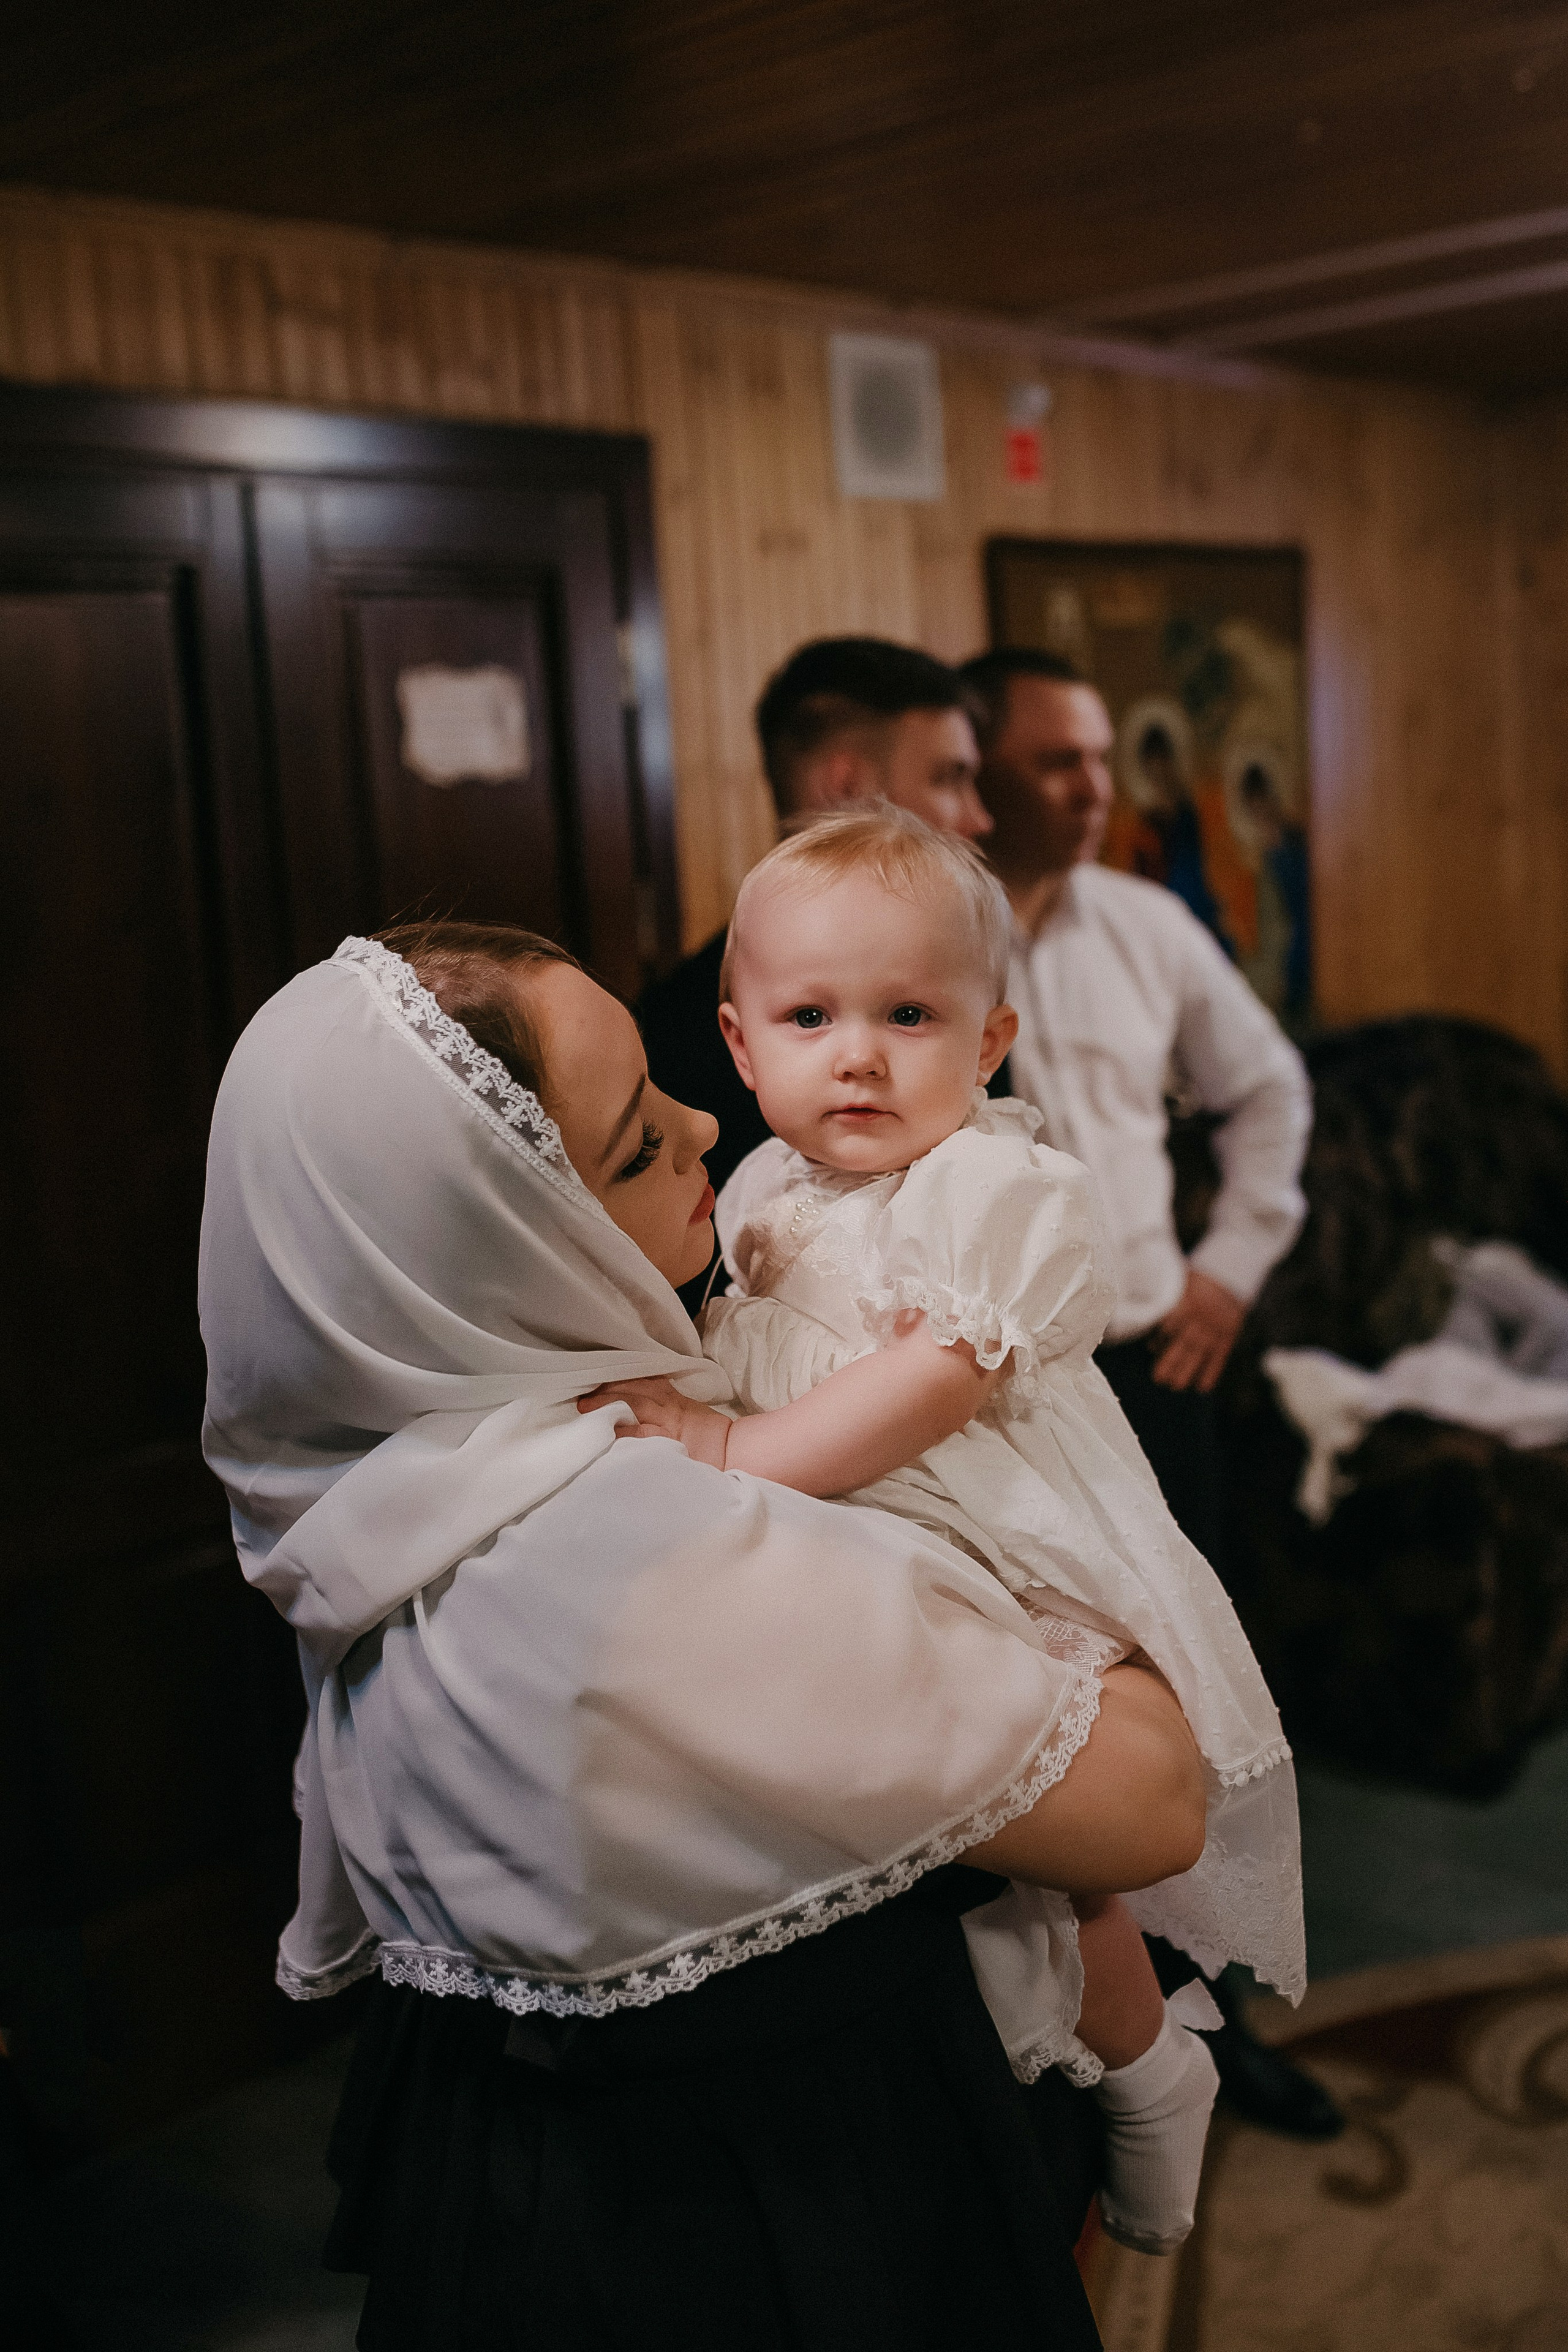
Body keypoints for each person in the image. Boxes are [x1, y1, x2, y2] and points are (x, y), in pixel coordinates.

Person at [198, 917, 1207, 2348]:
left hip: (505, 2154)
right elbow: (1149, 1799)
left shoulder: (384, 1477)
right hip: (759, 2201)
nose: (705, 1120)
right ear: (487, 1244)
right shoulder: (641, 1549)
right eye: (632, 1147)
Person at [587, 809, 1304, 2255]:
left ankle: (1152, 2068)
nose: (856, 1053)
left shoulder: (992, 1182)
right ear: (738, 1043)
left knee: (1055, 1861)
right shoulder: (756, 1188)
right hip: (847, 1533)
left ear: (987, 1042)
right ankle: (1091, 2072)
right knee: (948, 1882)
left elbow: (932, 1381)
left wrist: (730, 1446)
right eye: (810, 1016)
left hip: (990, 1528)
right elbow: (743, 1344)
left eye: (908, 1015)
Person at [959, 647, 1338, 2143]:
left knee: (1182, 1682)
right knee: (1030, 1709)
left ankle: (1207, 2016)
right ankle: (1060, 2027)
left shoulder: (1145, 921)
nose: (1095, 785)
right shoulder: (928, 926)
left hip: (1148, 1370)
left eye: (1102, 754)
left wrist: (1230, 1266)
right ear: (975, 768)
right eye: (1057, 759)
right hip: (980, 1396)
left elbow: (1269, 1092)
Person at [636, 636, 993, 1201]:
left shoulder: (960, 975)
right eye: (949, 778)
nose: (979, 817)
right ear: (848, 786)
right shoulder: (673, 1038)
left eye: (907, 1015)